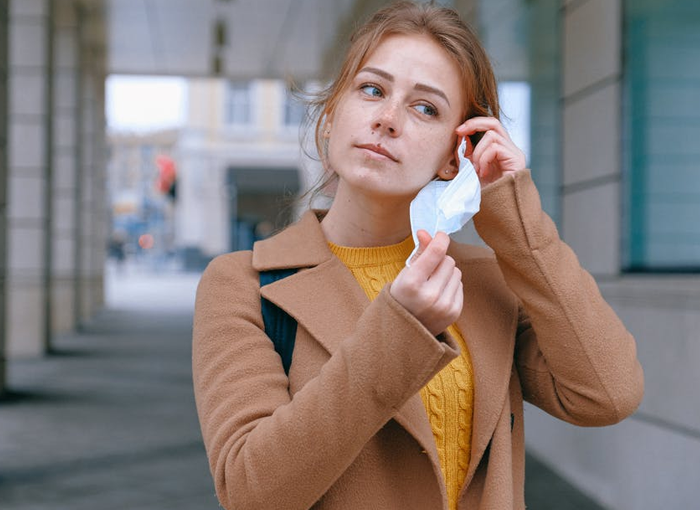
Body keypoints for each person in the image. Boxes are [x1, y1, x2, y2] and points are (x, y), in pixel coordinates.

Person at [192, 2, 644, 509]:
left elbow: (608, 393)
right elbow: (250, 490)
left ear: (456, 155)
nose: (387, 119)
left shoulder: (481, 280)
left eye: (425, 108)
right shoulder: (244, 284)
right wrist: (400, 330)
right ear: (330, 115)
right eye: (372, 90)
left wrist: (516, 223)